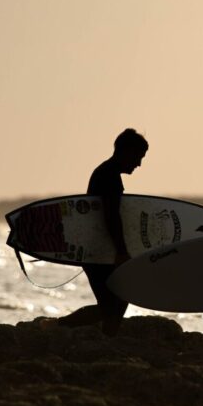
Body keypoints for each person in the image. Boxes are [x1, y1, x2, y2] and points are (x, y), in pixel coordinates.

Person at [58, 128, 148, 335]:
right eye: (138, 157)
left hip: (98, 248)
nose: (139, 164)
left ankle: (108, 336)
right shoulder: (109, 176)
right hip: (98, 251)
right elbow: (111, 217)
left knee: (119, 297)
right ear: (126, 151)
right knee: (113, 301)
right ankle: (59, 327)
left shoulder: (107, 172)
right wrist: (122, 251)